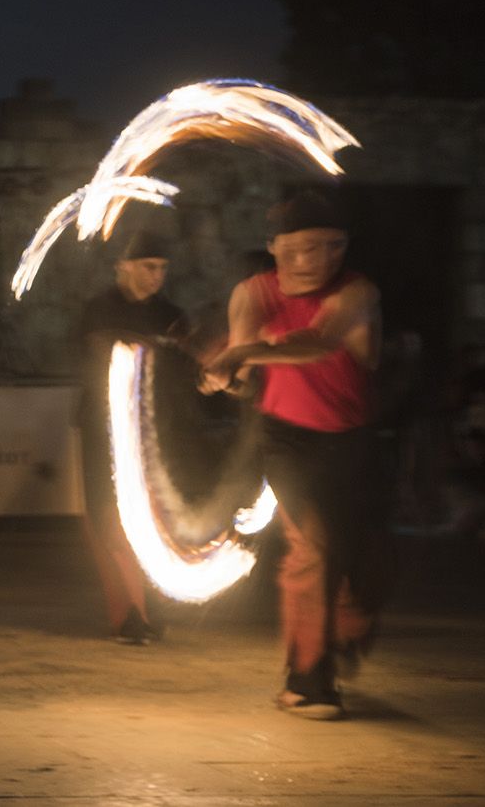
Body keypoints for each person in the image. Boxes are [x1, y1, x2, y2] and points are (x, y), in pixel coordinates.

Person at [202, 190, 387, 720]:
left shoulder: (358, 292)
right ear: (273, 247)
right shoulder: (253, 292)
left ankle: (341, 631)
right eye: (300, 248)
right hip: (285, 439)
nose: (314, 260)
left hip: (351, 437)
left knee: (365, 564)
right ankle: (308, 681)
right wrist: (225, 377)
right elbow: (242, 374)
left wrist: (240, 354)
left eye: (330, 247)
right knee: (313, 548)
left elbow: (319, 341)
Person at [75, 231, 187, 644]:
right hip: (104, 429)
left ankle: (149, 608)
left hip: (154, 431)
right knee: (110, 520)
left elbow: (184, 367)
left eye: (161, 269)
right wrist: (153, 347)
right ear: (123, 267)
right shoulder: (100, 309)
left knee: (154, 520)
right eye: (147, 267)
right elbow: (98, 349)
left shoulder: (170, 314)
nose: (156, 276)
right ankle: (128, 614)